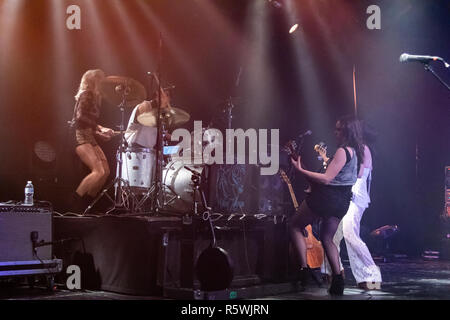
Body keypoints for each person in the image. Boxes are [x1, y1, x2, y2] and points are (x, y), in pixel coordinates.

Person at [290, 115, 365, 295]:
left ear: (346, 131)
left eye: (338, 129)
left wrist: (301, 171)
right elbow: (350, 176)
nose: (335, 132)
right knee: (327, 238)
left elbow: (326, 179)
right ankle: (338, 280)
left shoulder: (342, 151)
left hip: (327, 198)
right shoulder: (358, 152)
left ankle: (303, 270)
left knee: (294, 225)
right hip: (342, 201)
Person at [321, 121, 382, 289]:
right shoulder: (350, 150)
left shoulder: (361, 149)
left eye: (340, 130)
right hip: (345, 194)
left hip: (355, 195)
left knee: (349, 233)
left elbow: (359, 173)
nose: (336, 132)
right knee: (333, 235)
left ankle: (371, 276)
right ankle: (334, 271)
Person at [70, 69, 115, 212]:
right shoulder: (87, 95)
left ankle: (87, 206)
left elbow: (87, 122)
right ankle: (74, 205)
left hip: (87, 134)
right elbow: (80, 117)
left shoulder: (94, 98)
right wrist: (99, 127)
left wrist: (99, 133)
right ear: (94, 81)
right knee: (98, 171)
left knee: (106, 171)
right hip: (79, 135)